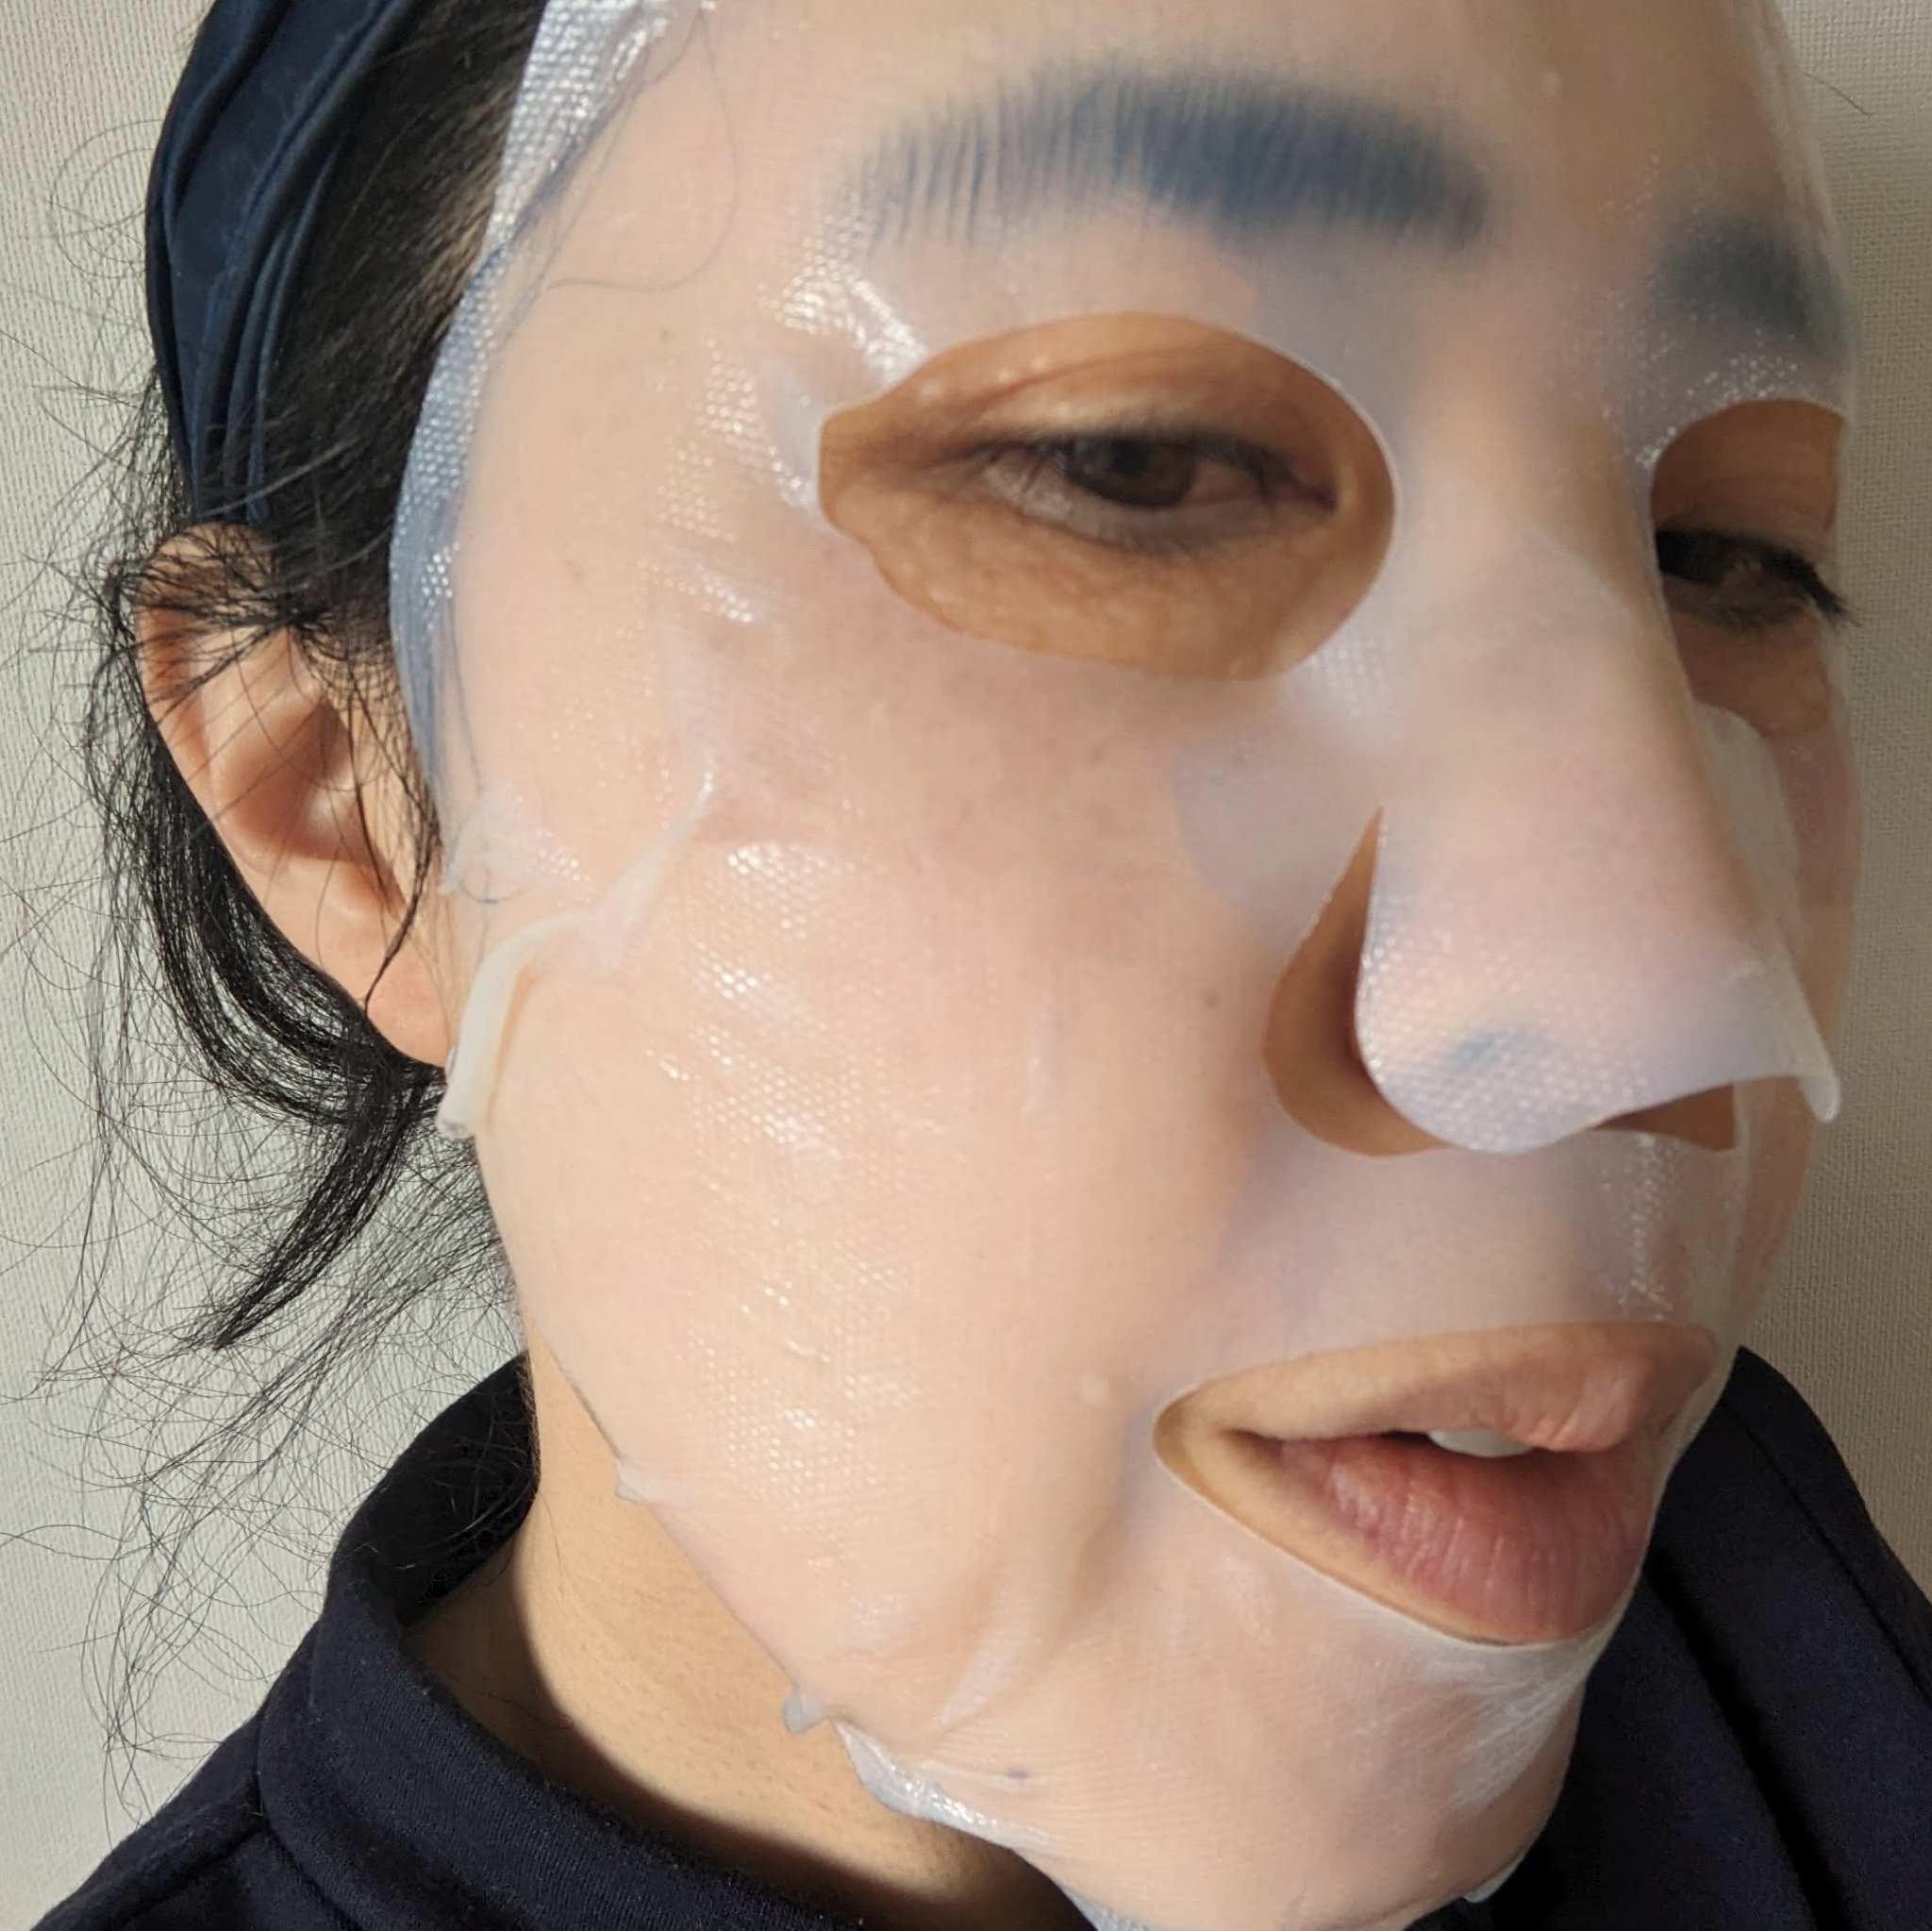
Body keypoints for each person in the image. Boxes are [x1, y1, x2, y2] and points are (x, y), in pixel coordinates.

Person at [34, 0, 1932, 1926]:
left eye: (1732, 555)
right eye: (1133, 463)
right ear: (355, 809)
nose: (1678, 1008)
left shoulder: (1753, 1605)